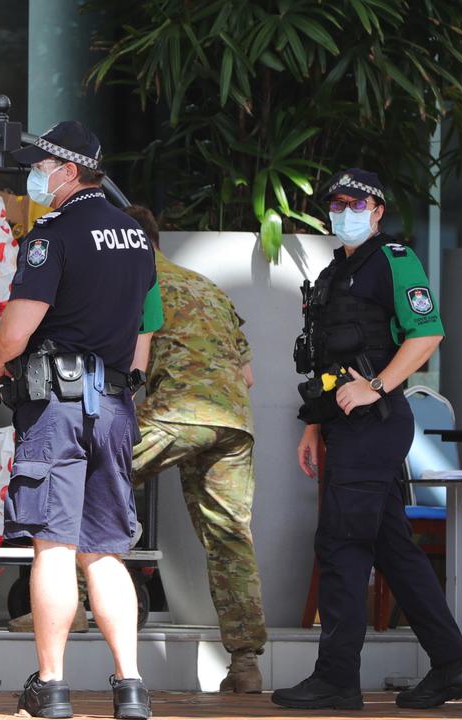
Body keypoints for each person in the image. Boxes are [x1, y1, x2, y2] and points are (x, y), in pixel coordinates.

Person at [273, 169, 462, 711]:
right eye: (336, 204)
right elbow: (327, 363)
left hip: (376, 423)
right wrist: (314, 426)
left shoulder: (394, 260)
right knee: (393, 548)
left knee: (341, 546)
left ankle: (337, 679)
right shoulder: (333, 272)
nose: (344, 211)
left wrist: (379, 386)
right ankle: (453, 667)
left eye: (355, 203)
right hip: (344, 425)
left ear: (378, 209)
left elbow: (428, 331)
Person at [0, 121, 162, 720]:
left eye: (41, 165)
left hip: (57, 407)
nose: (35, 174)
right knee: (107, 550)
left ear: (68, 171)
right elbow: (144, 333)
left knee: (55, 548)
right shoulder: (137, 237)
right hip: (113, 405)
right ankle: (131, 687)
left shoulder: (53, 233)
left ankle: (53, 686)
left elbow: (16, 329)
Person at [122, 205, 268, 693]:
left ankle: (72, 605)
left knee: (90, 476)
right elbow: (247, 375)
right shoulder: (206, 286)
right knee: (229, 537)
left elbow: (125, 365)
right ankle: (245, 663)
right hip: (233, 420)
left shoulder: (134, 281)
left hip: (178, 411)